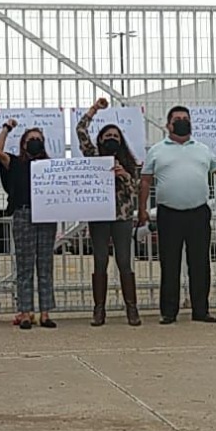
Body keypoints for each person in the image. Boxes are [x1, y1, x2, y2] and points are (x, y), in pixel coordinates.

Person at [138, 106, 216, 325]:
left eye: (185, 119)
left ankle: (201, 310)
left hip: (198, 213)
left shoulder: (202, 149)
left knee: (200, 263)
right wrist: (142, 209)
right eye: (177, 119)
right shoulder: (157, 150)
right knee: (170, 263)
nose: (182, 121)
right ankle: (168, 312)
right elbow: (145, 180)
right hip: (168, 214)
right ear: (168, 125)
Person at [77, 98, 142, 327]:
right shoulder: (94, 158)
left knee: (124, 261)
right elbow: (81, 130)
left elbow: (135, 190)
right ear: (101, 140)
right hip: (99, 218)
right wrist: (94, 109)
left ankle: (131, 309)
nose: (111, 139)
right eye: (108, 136)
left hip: (122, 218)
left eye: (115, 136)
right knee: (100, 261)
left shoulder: (130, 163)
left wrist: (123, 174)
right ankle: (99, 310)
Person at [0, 121, 57, 330]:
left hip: (46, 216)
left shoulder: (50, 165)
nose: (35, 143)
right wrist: (6, 128)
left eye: (38, 140)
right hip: (23, 213)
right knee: (25, 266)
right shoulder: (15, 162)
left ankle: (45, 313)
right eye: (31, 140)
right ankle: (25, 312)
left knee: (45, 265)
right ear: (23, 144)